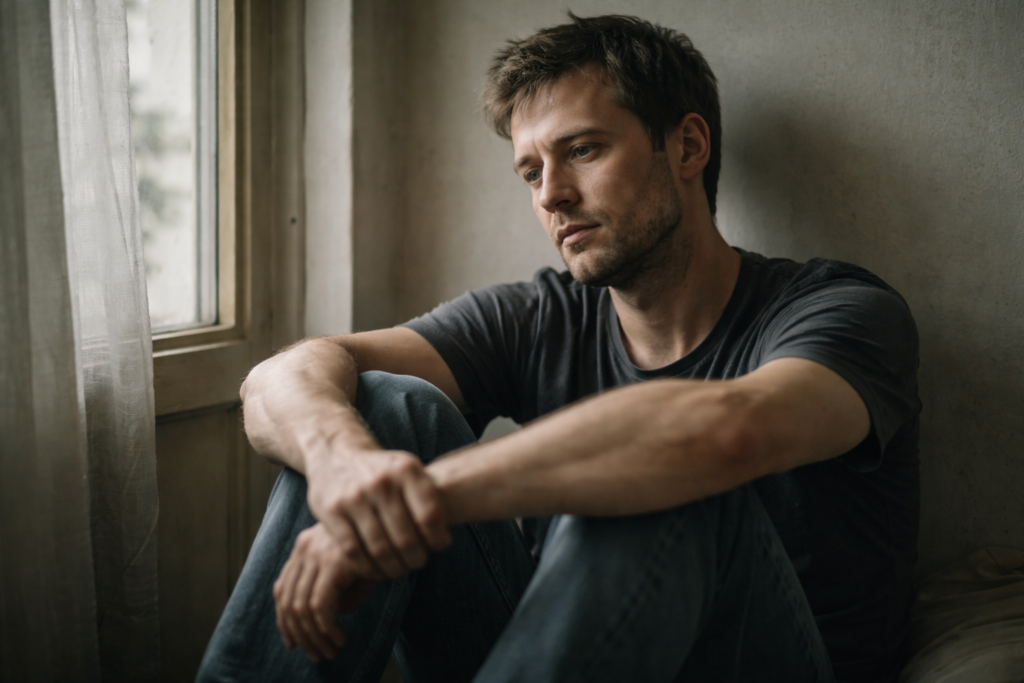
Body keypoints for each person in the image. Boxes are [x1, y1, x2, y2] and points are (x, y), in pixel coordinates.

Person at [197, 13, 920, 683]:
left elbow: (723, 431)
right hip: (573, 651)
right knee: (381, 403)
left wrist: (421, 497)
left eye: (582, 150)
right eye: (531, 170)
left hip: (753, 659)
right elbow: (281, 375)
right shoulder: (541, 315)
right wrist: (343, 470)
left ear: (688, 145)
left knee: (665, 475)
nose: (552, 194)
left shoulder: (842, 312)